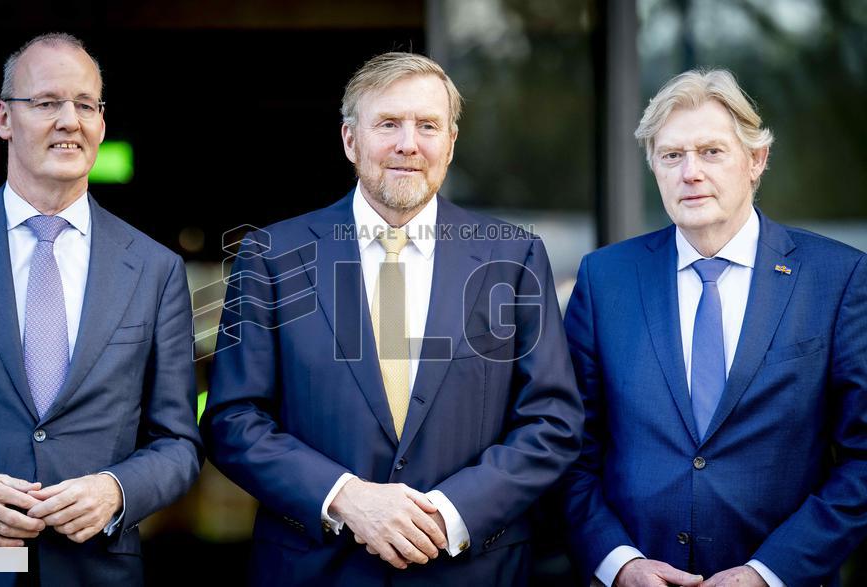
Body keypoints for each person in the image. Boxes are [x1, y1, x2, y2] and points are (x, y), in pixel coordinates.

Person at [201, 52, 583, 585]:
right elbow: (232, 419)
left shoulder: (513, 257)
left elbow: (552, 421)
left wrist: (449, 514)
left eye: (428, 125)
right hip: (317, 571)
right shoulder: (272, 255)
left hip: (472, 570)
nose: (409, 144)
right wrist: (345, 497)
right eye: (387, 124)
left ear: (451, 143)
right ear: (350, 140)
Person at [0, 33, 202, 586]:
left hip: (94, 570)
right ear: (4, 118)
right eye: (47, 102)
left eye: (86, 105)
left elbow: (179, 443)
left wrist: (117, 490)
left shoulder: (155, 269)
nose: (70, 120)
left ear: (101, 122)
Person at [563, 69, 867, 587]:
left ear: (756, 160)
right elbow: (569, 449)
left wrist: (768, 573)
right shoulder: (605, 279)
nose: (690, 173)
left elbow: (861, 460)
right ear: (654, 167)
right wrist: (620, 563)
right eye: (671, 156)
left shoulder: (837, 278)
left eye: (711, 152)